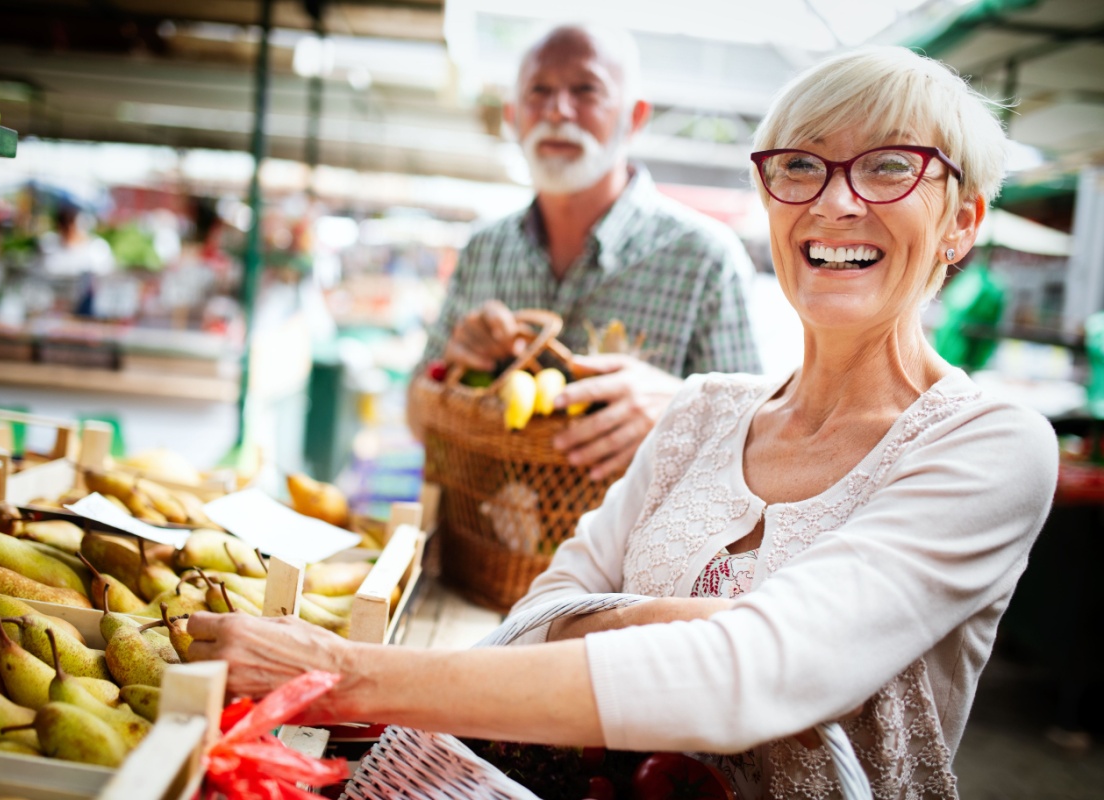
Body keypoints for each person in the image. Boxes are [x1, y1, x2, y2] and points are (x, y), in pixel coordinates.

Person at [188, 46, 1058, 796]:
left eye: (888, 166)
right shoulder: (700, 413)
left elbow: (765, 670)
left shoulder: (990, 444)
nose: (833, 202)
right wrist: (653, 622)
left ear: (962, 222)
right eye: (801, 165)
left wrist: (338, 675)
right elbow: (527, 624)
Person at [410, 24, 762, 479]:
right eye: (539, 92)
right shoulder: (484, 250)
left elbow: (757, 444)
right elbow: (418, 420)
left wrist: (680, 414)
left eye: (585, 91)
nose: (558, 111)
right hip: (479, 545)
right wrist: (450, 369)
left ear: (633, 118)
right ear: (513, 115)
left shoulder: (704, 259)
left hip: (633, 550)